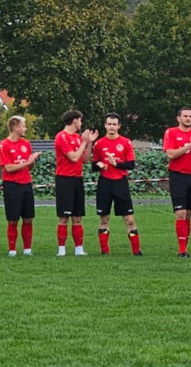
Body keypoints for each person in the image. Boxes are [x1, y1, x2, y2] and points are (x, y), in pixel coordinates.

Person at [92, 113, 141, 256]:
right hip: (105, 184)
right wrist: (100, 165)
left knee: (129, 219)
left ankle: (136, 251)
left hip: (121, 183)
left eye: (114, 124)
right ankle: (104, 251)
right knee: (104, 218)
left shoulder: (126, 142)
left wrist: (116, 164)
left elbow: (131, 165)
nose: (111, 127)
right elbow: (94, 165)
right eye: (109, 124)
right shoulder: (99, 144)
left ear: (119, 126)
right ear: (105, 125)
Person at [55, 110, 98, 257]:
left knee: (78, 216)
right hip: (64, 179)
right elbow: (73, 157)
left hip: (77, 178)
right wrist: (84, 142)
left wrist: (89, 142)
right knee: (64, 217)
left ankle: (79, 248)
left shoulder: (78, 138)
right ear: (75, 121)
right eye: (80, 121)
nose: (81, 124)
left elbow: (84, 159)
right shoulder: (61, 137)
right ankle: (61, 249)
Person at [164, 107, 191, 258]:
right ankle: (181, 250)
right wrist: (188, 145)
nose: (188, 118)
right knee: (180, 213)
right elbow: (171, 154)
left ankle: (185, 247)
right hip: (177, 176)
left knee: (188, 214)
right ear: (178, 118)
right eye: (185, 116)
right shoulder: (171, 132)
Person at [0, 115, 41, 257]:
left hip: (26, 184)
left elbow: (29, 167)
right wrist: (27, 162)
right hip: (12, 185)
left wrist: (33, 160)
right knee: (13, 219)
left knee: (28, 218)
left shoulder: (26, 144)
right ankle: (12, 249)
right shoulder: (3, 145)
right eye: (23, 126)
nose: (25, 128)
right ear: (15, 127)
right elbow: (8, 168)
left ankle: (27, 249)